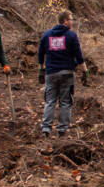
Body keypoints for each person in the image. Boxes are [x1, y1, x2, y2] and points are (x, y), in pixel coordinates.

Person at [37, 10, 86, 138]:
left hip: (50, 73)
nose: (72, 22)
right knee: (65, 102)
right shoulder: (71, 36)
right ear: (64, 21)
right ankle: (62, 130)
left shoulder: (46, 35)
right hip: (67, 73)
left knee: (50, 101)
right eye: (71, 19)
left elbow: (40, 53)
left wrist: (40, 69)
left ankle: (46, 129)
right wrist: (85, 70)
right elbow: (79, 55)